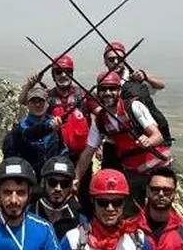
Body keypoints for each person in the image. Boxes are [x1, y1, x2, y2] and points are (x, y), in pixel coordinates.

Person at [74, 71, 172, 213]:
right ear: (98, 93)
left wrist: (149, 141)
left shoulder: (133, 107)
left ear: (119, 90)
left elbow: (158, 136)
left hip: (158, 168)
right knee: (131, 213)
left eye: (112, 88)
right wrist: (76, 178)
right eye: (103, 89)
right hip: (133, 173)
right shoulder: (100, 120)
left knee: (159, 210)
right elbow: (88, 152)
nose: (108, 93)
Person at [3, 84, 66, 175]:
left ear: (47, 104)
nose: (37, 104)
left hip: (51, 179)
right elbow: (9, 161)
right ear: (27, 104)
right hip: (28, 179)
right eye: (33, 101)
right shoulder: (18, 129)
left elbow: (63, 151)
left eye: (41, 101)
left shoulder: (56, 126)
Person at [30, 155, 86, 241]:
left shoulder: (79, 220)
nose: (58, 188)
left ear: (71, 186)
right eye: (52, 182)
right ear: (42, 183)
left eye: (64, 184)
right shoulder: (28, 214)